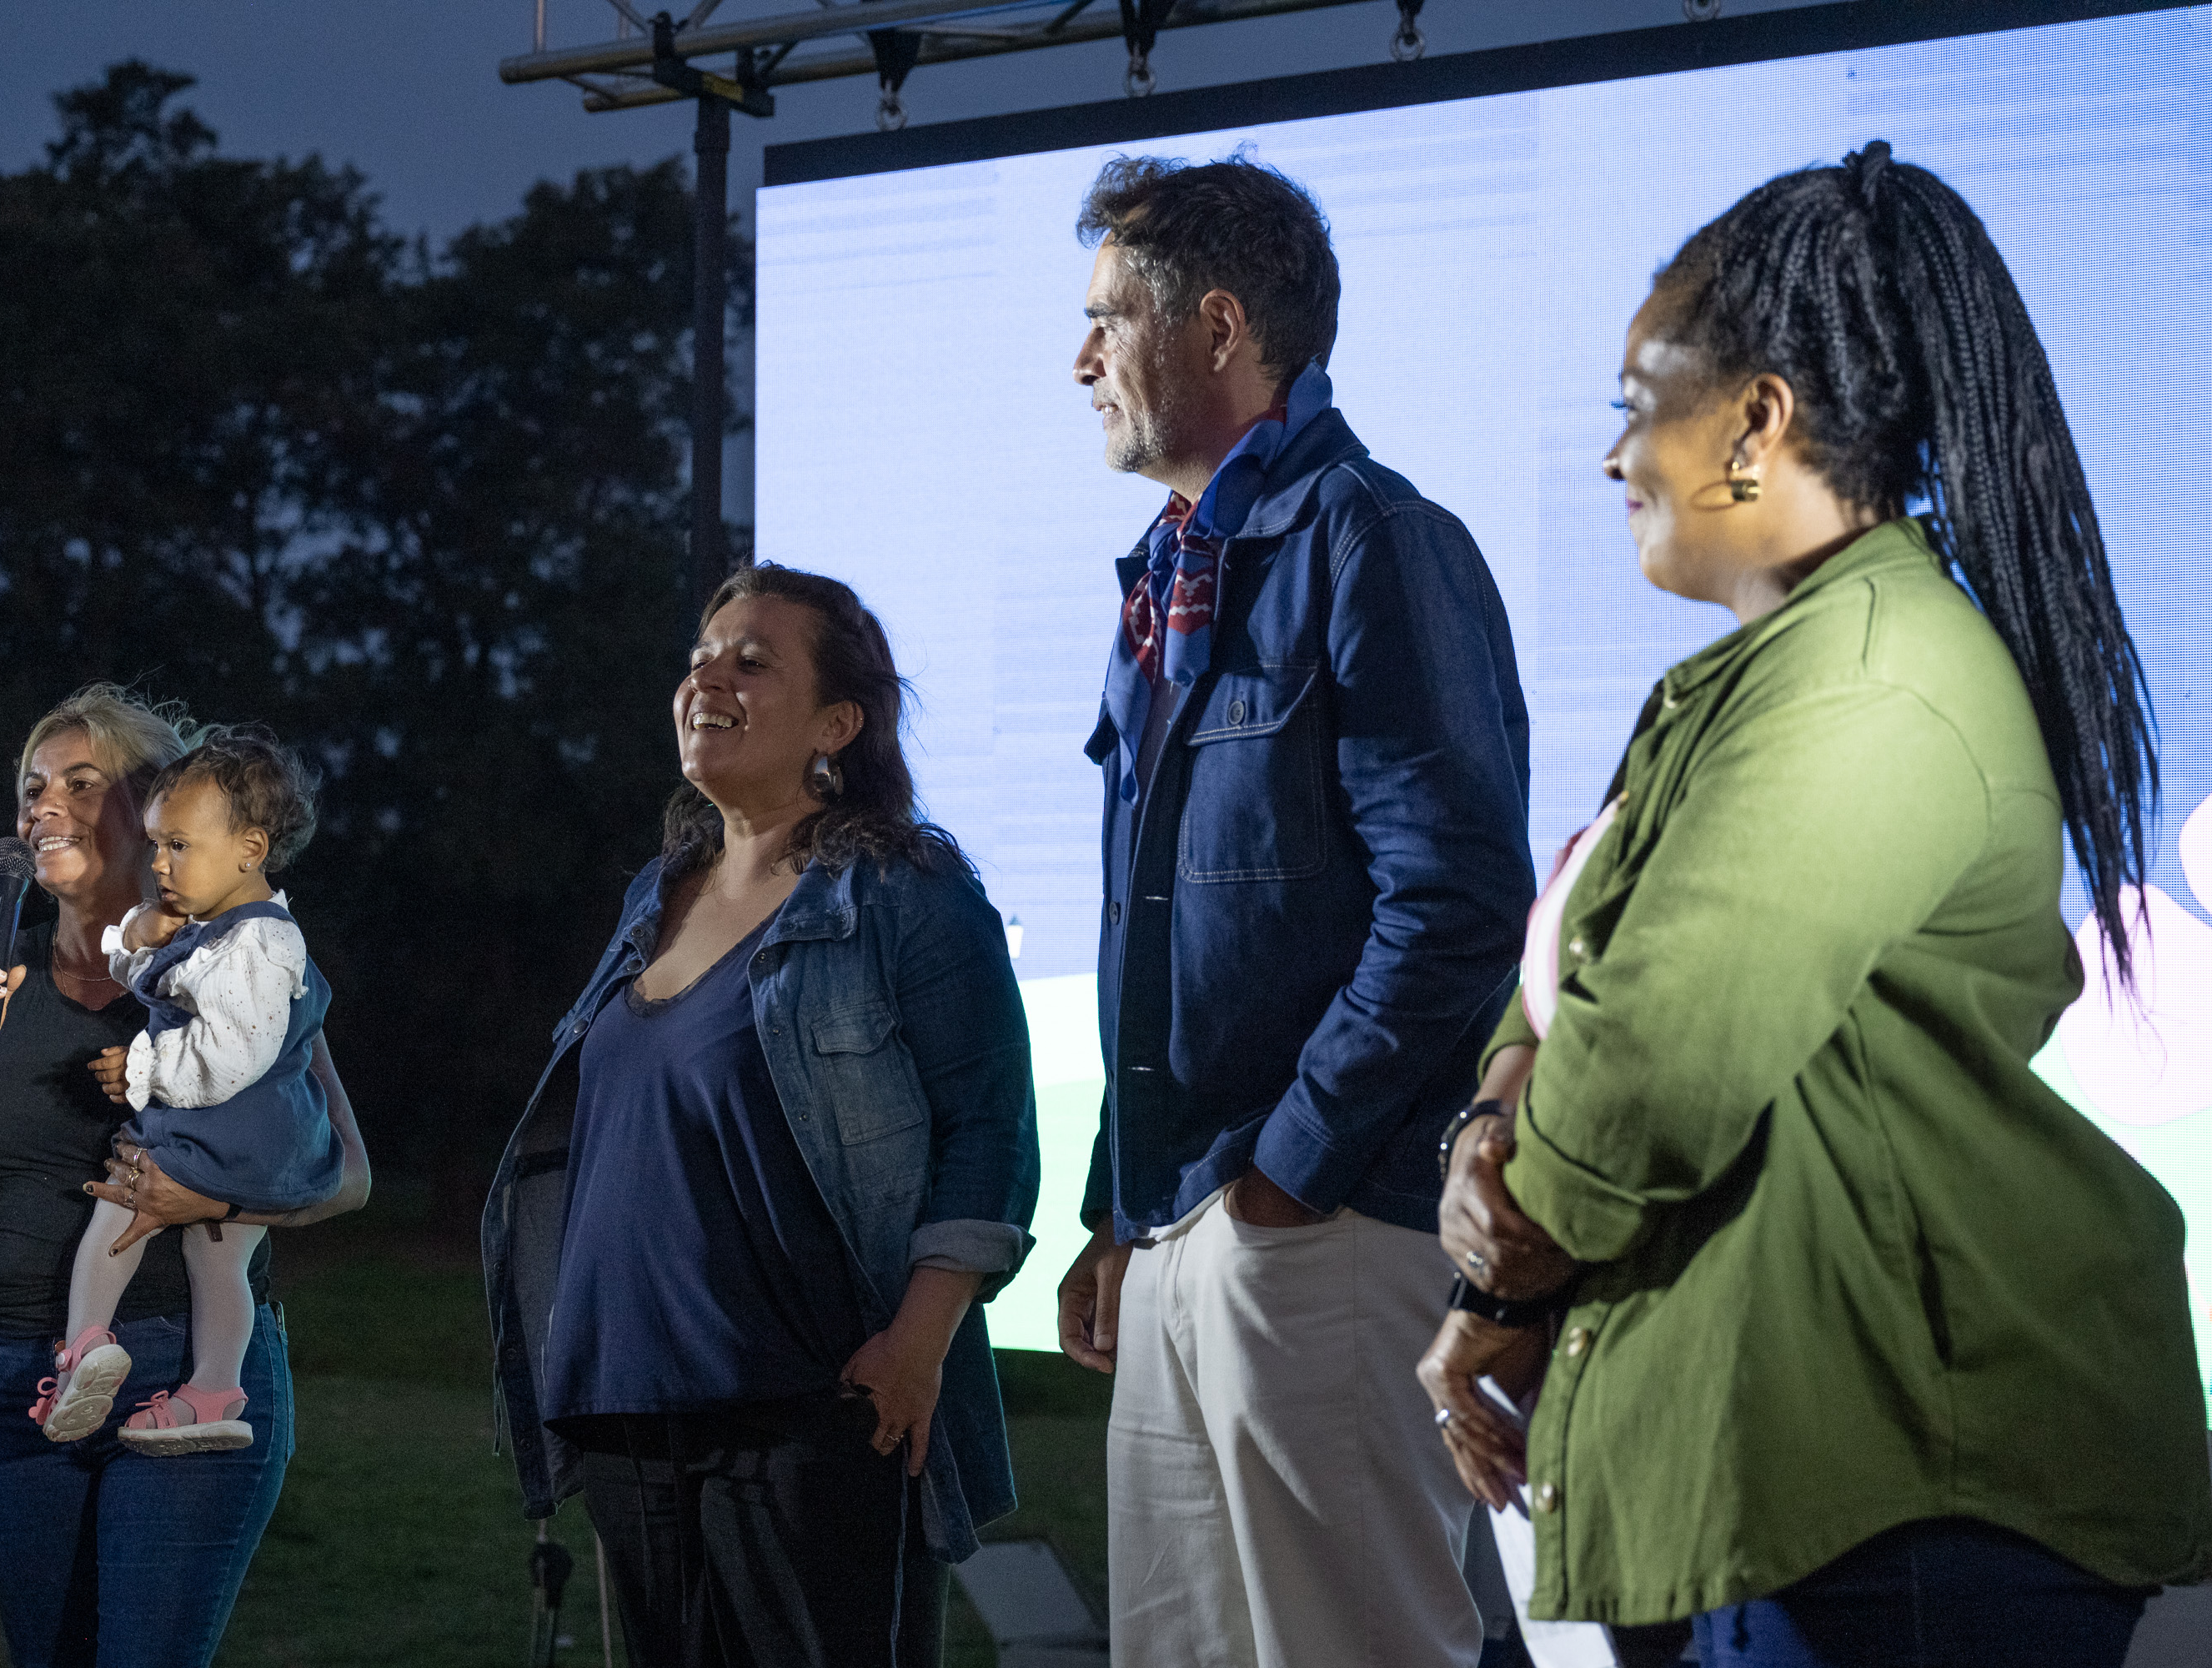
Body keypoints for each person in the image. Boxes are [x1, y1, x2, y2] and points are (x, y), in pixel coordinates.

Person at [1417, 142, 2212, 1668]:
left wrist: (1500, 1275)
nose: (1613, 461)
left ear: (1757, 426)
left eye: (1635, 408)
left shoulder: (1869, 684)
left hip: (1902, 1493)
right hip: (1784, 1487)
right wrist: (1487, 1121)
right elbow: (1572, 989)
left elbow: (1658, 1049)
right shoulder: (1755, 689)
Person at [1053, 155, 1535, 1668]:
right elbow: (1153, 930)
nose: (1078, 362)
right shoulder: (1162, 578)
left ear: (1215, 327)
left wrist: (1284, 1176)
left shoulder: (1375, 540)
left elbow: (1458, 905)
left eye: (1106, 320)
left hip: (1320, 1228)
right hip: (1185, 1223)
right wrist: (1113, 1210)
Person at [484, 565, 1039, 1668]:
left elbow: (990, 1135)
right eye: (701, 654)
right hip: (628, 1407)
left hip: (813, 1412)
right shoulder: (659, 893)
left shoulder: (907, 898)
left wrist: (917, 1345)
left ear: (839, 722)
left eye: (753, 661)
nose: (709, 677)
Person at [0, 684, 370, 1668]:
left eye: (79, 783)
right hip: (17, 1379)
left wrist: (212, 1201)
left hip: (182, 1363)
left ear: (154, 807)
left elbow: (346, 1172)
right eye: (32, 786)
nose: (41, 805)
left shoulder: (237, 973)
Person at [33, 727, 342, 1457]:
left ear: (251, 849)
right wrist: (139, 940)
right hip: (250, 1142)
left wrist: (141, 1070)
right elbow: (166, 981)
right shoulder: (224, 931)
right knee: (219, 1261)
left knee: (116, 1212)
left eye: (180, 846)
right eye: (157, 845)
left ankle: (84, 1348)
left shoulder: (264, 943)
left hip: (224, 1131)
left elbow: (230, 1052)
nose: (161, 865)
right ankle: (214, 1389)